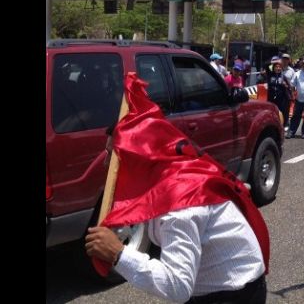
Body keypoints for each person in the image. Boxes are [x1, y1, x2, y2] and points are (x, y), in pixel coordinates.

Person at [85, 73, 269, 304]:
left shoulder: (180, 201)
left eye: (112, 155)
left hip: (234, 295)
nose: (104, 163)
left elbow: (177, 287)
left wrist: (119, 254)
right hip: (209, 288)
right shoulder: (164, 181)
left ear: (139, 159)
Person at [267, 57, 292, 129]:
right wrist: (276, 61)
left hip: (282, 98)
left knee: (283, 111)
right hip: (272, 98)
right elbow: (266, 65)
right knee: (272, 111)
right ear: (273, 68)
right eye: (276, 67)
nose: (278, 68)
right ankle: (274, 124)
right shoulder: (270, 75)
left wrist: (286, 85)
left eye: (279, 67)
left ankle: (285, 124)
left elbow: (289, 87)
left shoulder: (284, 76)